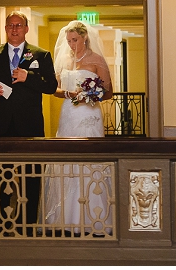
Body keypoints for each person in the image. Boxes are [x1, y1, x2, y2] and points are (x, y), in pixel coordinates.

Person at [0, 12, 56, 233]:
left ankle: (28, 226)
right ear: (6, 28)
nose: (14, 29)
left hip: (30, 126)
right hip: (1, 125)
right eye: (10, 25)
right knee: (1, 178)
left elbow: (50, 85)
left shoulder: (41, 54)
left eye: (19, 25)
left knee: (31, 178)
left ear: (26, 29)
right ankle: (1, 226)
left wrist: (29, 77)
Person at [42, 20, 115, 236]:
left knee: (89, 161)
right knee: (67, 160)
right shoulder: (64, 60)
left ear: (84, 37)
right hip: (69, 113)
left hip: (89, 114)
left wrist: (91, 96)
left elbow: (108, 91)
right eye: (68, 41)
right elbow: (54, 88)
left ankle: (96, 217)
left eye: (75, 40)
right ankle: (65, 218)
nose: (71, 44)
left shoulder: (96, 59)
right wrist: (66, 94)